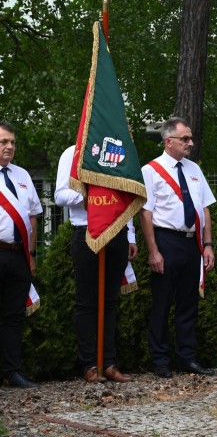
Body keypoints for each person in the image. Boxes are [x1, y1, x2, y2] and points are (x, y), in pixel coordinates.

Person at [140, 117, 216, 378]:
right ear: (168, 141)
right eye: (185, 139)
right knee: (162, 303)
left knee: (188, 304)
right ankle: (160, 360)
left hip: (192, 243)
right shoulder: (150, 171)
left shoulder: (194, 169)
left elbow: (205, 209)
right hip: (166, 240)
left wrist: (208, 244)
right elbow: (146, 214)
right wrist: (153, 251)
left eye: (191, 138)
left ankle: (187, 357)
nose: (190, 143)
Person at [55, 145, 137, 382]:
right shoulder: (72, 153)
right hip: (86, 231)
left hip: (117, 233)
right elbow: (60, 195)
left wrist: (130, 235)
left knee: (110, 301)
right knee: (86, 302)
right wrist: (91, 197)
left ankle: (109, 363)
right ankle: (89, 364)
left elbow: (126, 194)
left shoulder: (119, 151)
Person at [0, 122, 41, 388]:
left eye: (12, 142)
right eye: (3, 142)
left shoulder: (23, 175)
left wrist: (32, 254)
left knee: (13, 316)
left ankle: (11, 371)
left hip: (18, 256)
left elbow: (34, 216)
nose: (10, 147)